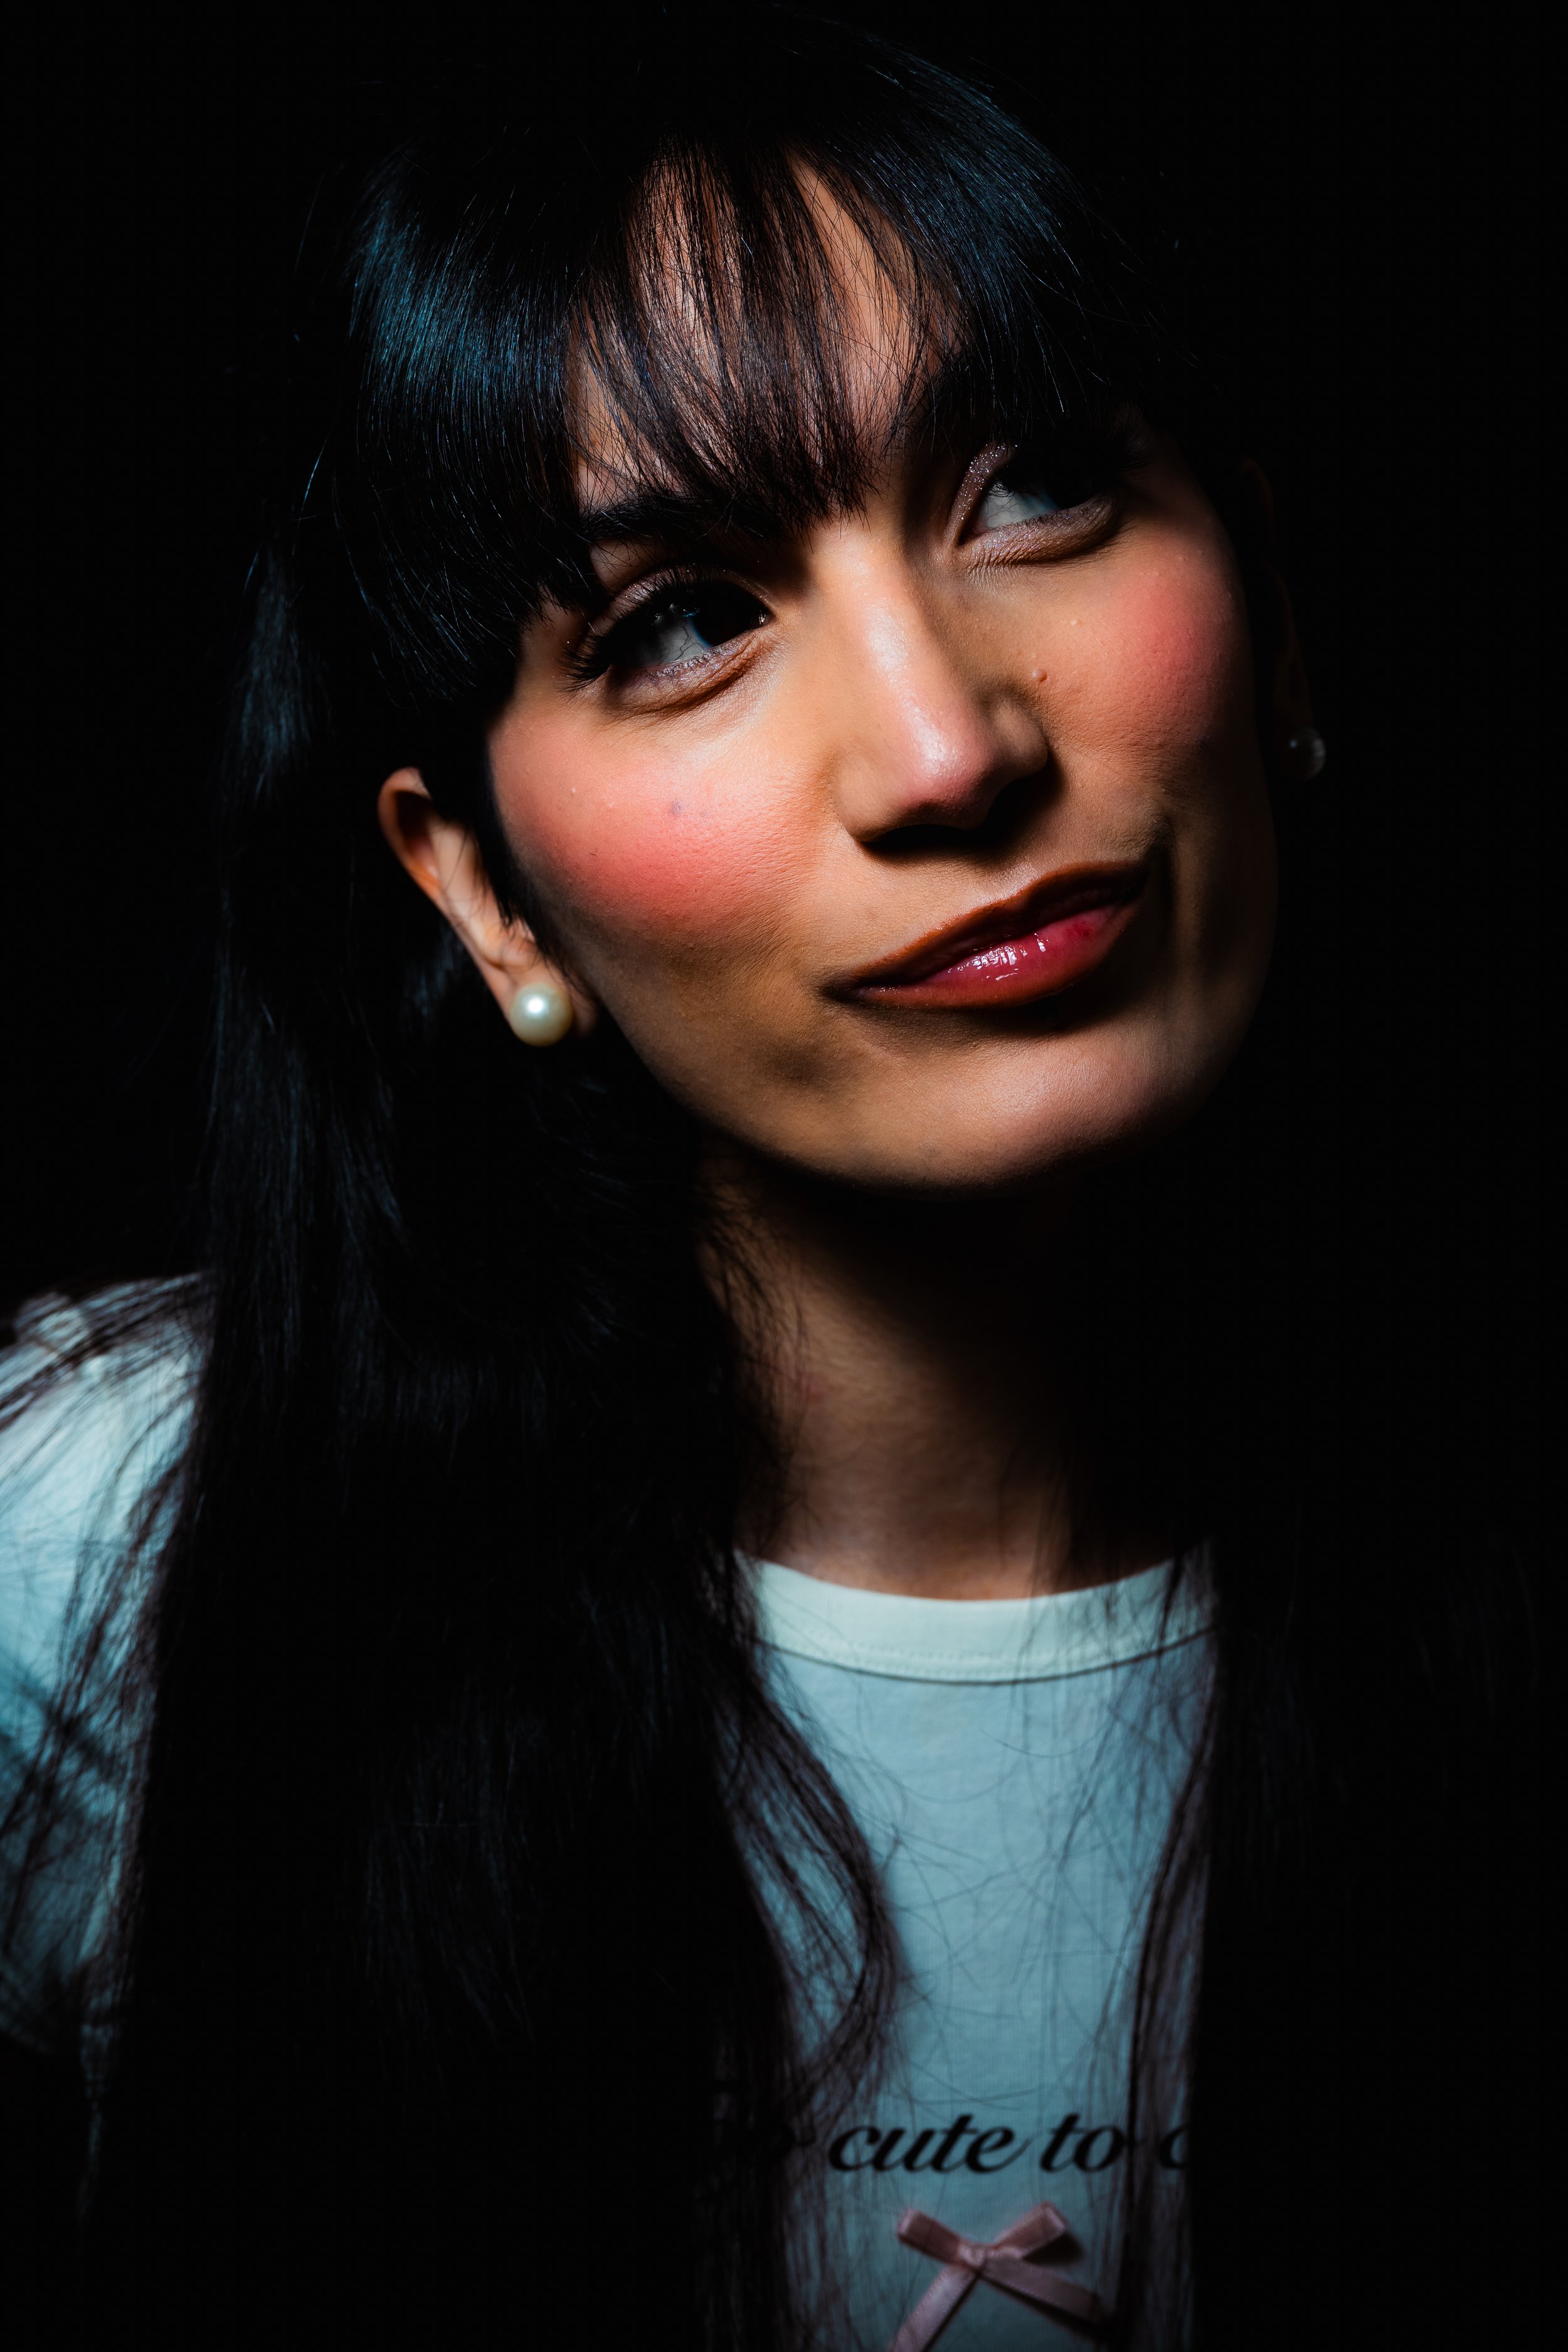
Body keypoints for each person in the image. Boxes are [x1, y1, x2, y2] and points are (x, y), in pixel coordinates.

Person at [0, 13, 1547, 2347]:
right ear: (482, 894)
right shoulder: (104, 1539)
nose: (946, 749)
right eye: (682, 625)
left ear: (1276, 602)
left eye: (1031, 486)